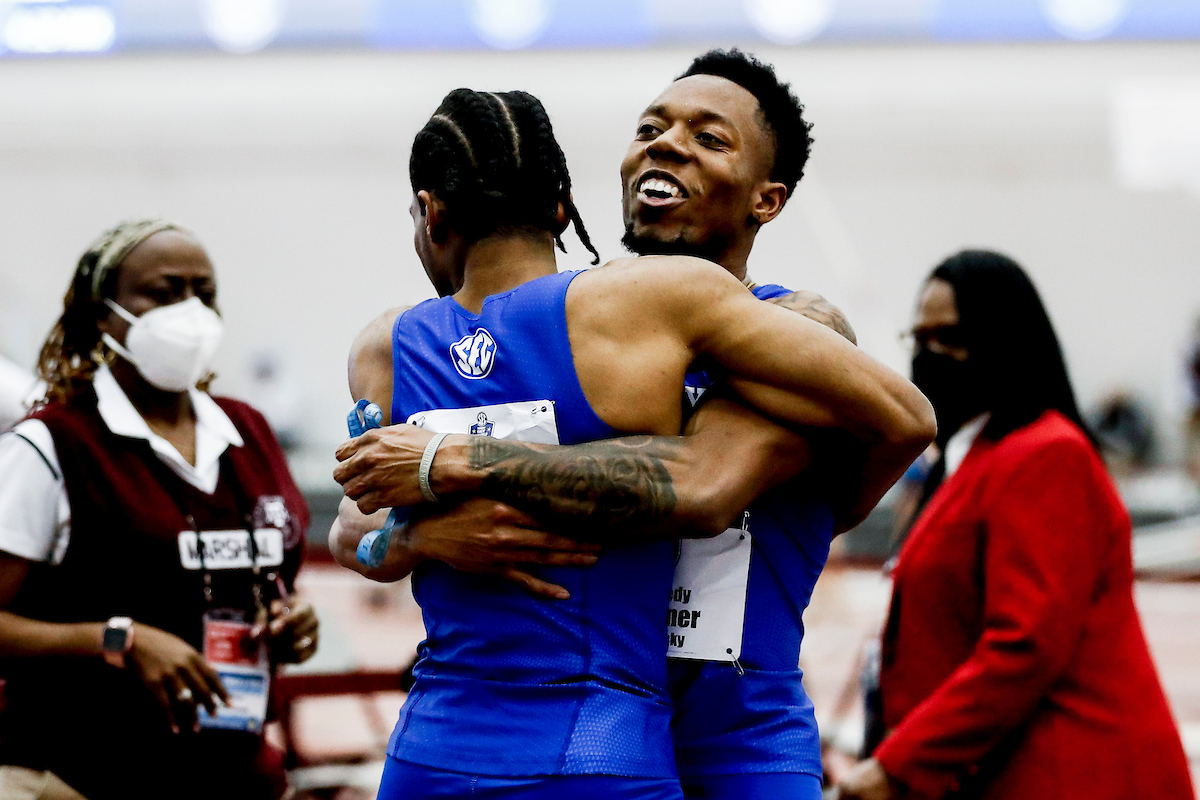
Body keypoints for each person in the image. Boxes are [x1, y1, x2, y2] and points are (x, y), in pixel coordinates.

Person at [330, 87, 934, 800]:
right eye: (649, 128)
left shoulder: (792, 327)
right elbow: (356, 519)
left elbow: (703, 488)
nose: (666, 144)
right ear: (564, 206)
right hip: (605, 735)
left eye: (709, 138)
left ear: (765, 199)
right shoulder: (605, 319)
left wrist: (455, 462)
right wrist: (418, 536)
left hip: (732, 740)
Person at [835, 250, 1194, 800]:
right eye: (919, 338)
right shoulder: (967, 457)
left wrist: (897, 766)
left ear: (1005, 338)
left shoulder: (1047, 456)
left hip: (1076, 772)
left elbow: (1025, 646)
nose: (929, 356)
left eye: (950, 338)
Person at [0, 219, 319, 800]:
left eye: (203, 293)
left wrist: (291, 617)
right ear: (102, 314)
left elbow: (266, 574)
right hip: (78, 775)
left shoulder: (247, 429)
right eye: (164, 293)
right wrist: (118, 640)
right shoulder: (53, 444)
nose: (189, 311)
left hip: (234, 771)